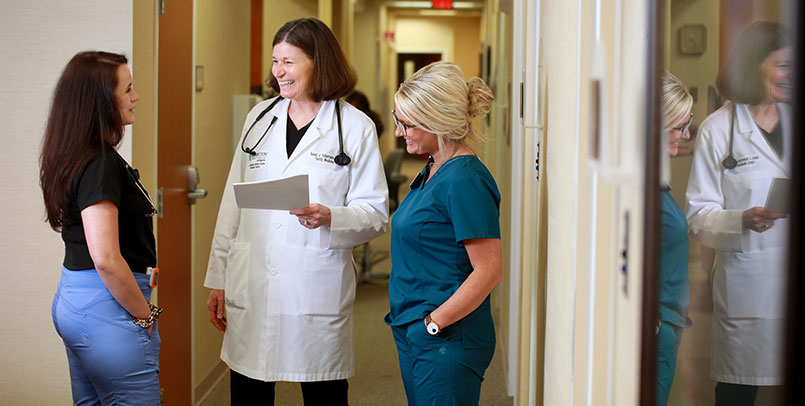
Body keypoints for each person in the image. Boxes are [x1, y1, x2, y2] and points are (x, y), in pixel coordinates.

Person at [204, 17, 388, 405]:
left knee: (324, 393)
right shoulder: (259, 119)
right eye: (275, 61)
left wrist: (330, 216)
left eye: (289, 61)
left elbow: (374, 212)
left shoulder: (355, 128)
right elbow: (231, 203)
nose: (278, 72)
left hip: (314, 289)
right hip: (252, 282)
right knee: (249, 392)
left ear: (318, 64)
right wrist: (218, 276)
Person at [40, 51, 161, 405]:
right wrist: (145, 315)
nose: (135, 97)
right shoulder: (101, 164)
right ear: (101, 102)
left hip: (76, 299)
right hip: (107, 307)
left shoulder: (74, 153)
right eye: (128, 89)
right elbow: (106, 257)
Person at [685, 21, 791, 405]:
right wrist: (741, 220)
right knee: (737, 390)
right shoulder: (719, 130)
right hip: (749, 283)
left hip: (794, 280)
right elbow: (698, 214)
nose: (790, 75)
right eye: (781, 65)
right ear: (752, 66)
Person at [384, 61, 501, 405]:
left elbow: (489, 269)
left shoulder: (465, 180)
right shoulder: (434, 167)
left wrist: (433, 324)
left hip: (446, 338)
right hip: (417, 330)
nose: (398, 132)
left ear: (438, 121)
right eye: (397, 119)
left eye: (407, 124)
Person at [655, 70, 694, 406]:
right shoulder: (639, 186)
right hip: (657, 328)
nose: (686, 133)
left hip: (668, 321)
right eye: (679, 125)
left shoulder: (658, 180)